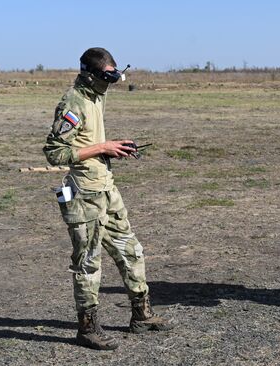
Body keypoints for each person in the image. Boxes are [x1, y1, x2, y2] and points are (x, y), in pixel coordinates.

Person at [43, 47, 173, 350]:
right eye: (106, 77)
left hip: (106, 187)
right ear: (90, 75)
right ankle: (87, 328)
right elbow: (54, 152)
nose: (110, 83)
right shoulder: (73, 103)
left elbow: (94, 138)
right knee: (88, 262)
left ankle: (142, 315)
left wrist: (113, 146)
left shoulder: (95, 95)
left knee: (131, 250)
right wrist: (103, 148)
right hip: (84, 195)